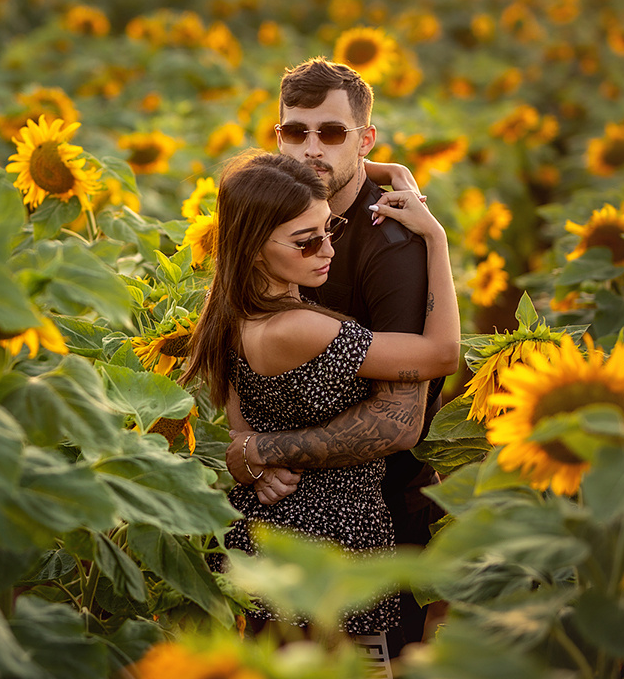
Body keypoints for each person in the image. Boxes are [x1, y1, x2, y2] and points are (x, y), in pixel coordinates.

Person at [180, 151, 458, 671]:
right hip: (329, 554)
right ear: (254, 248)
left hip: (271, 539)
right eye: (305, 240)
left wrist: (256, 458)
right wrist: (435, 239)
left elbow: (242, 432)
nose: (326, 248)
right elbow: (441, 355)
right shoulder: (299, 330)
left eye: (329, 228)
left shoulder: (231, 314)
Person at [224, 57, 453, 658]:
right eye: (293, 132)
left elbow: (402, 419)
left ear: (365, 139)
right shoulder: (273, 215)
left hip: (376, 517)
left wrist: (259, 451)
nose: (310, 149)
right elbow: (227, 324)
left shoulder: (391, 241)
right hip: (279, 531)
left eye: (331, 133)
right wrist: (244, 443)